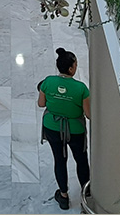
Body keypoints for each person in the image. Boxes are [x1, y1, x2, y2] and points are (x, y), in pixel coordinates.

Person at [38, 48, 91, 210]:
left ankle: (63, 197)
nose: (76, 67)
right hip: (75, 131)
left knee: (59, 160)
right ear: (70, 69)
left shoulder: (47, 82)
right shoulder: (81, 88)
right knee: (81, 160)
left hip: (52, 128)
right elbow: (89, 114)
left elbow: (41, 104)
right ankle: (86, 192)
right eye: (75, 65)